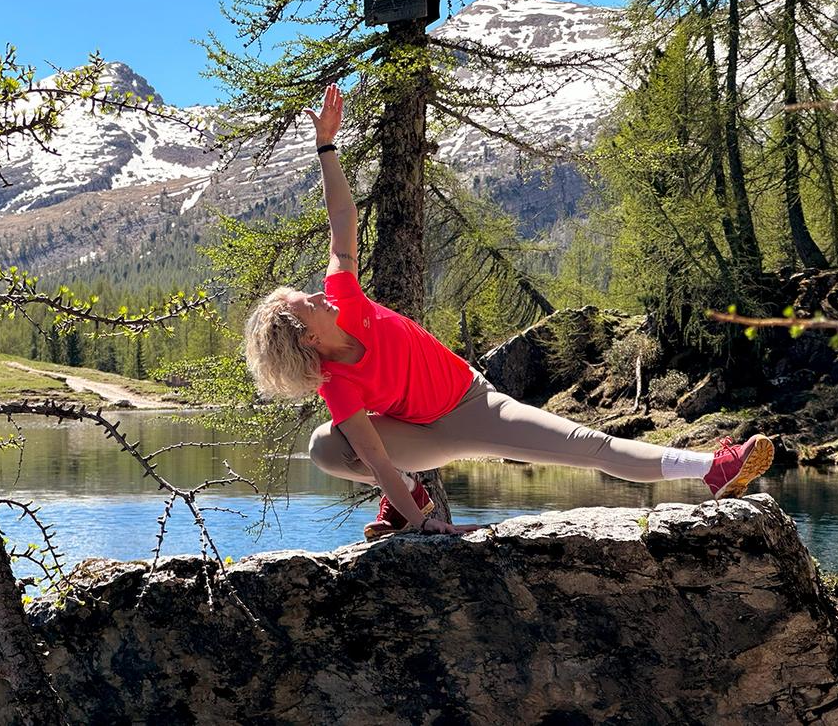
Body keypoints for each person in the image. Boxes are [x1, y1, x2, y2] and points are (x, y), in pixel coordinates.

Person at [243, 84, 775, 541]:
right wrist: (422, 520)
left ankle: (713, 470)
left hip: (471, 402)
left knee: (586, 446)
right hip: (424, 435)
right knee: (326, 447)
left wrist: (327, 147)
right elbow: (376, 460)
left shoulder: (345, 295)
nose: (317, 295)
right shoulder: (337, 382)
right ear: (308, 339)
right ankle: (410, 508)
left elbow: (342, 215)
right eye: (306, 304)